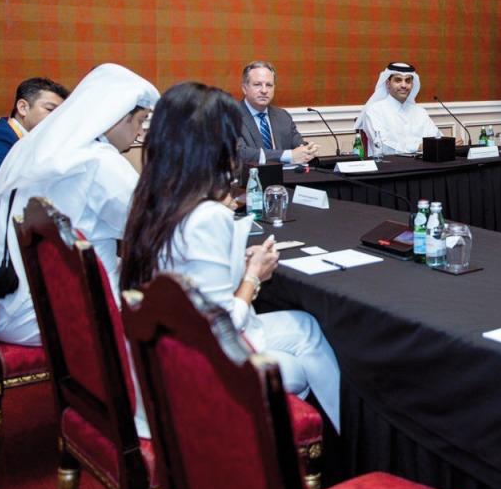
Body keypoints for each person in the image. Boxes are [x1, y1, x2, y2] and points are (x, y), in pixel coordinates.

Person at [120, 82, 341, 433]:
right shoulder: (207, 215)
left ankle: (335, 438)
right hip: (195, 364)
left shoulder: (151, 197)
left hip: (159, 350)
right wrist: (253, 276)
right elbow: (221, 323)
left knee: (307, 328)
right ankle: (319, 444)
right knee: (298, 369)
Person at [0, 64, 158, 346]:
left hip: (5, 298)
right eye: (140, 120)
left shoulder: (34, 146)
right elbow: (153, 228)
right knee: (172, 301)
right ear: (118, 116)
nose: (138, 133)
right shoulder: (98, 160)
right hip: (48, 313)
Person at [0, 77, 70, 216]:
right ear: (23, 107)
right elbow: (16, 191)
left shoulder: (24, 137)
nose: (57, 118)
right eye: (50, 109)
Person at [236, 61, 320, 165]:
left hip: (286, 178)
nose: (264, 90)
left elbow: (298, 144)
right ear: (245, 88)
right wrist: (288, 155)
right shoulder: (230, 116)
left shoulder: (282, 115)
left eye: (269, 85)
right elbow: (240, 153)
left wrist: (308, 150)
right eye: (257, 84)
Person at [353, 61, 442, 155]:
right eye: (398, 80)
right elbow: (382, 147)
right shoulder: (375, 111)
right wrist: (418, 147)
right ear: (388, 83)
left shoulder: (420, 112)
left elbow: (436, 138)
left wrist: (448, 143)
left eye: (408, 81)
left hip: (424, 166)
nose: (404, 85)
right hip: (389, 167)